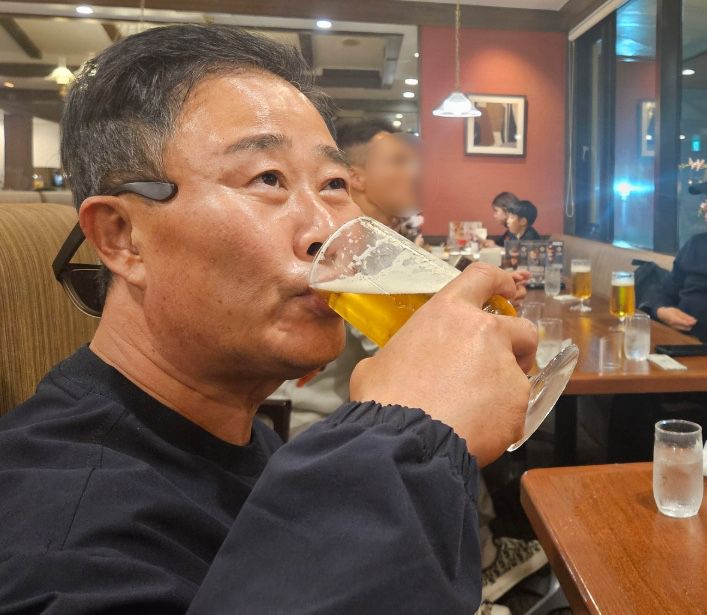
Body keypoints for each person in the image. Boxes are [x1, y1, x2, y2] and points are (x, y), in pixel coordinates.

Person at [0, 24, 537, 614]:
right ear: (122, 236)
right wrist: (405, 437)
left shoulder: (236, 432)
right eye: (268, 180)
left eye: (334, 184)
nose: (327, 230)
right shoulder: (63, 542)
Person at [276, 120, 544, 615]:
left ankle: (481, 555)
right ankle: (477, 571)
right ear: (356, 178)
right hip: (326, 417)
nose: (415, 171)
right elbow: (418, 345)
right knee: (451, 411)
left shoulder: (381, 243)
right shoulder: (349, 251)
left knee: (454, 411)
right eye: (398, 161)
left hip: (360, 410)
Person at [651, 200, 707, 341]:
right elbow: (664, 291)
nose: (705, 209)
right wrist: (662, 311)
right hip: (678, 341)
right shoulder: (695, 244)